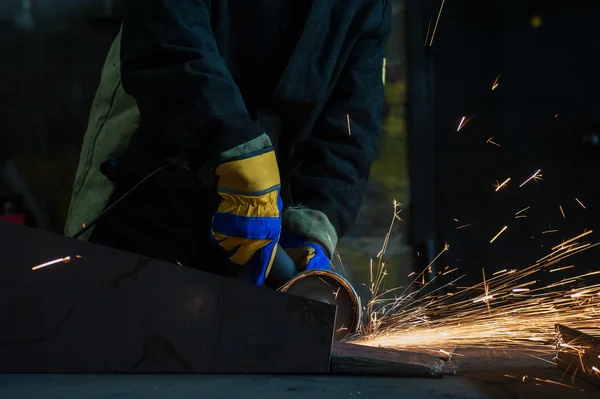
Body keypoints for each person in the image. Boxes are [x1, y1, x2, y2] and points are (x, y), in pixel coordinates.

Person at [65, 0, 391, 286]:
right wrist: (230, 141)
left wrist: (317, 218)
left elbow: (352, 118)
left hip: (269, 214)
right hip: (153, 177)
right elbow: (169, 34)